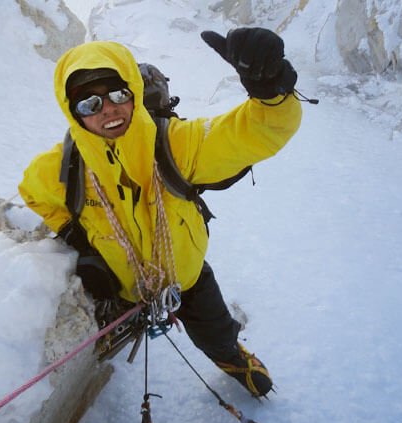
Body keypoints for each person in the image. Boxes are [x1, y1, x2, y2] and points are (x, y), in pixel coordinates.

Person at [19, 28, 302, 397]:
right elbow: (33, 193)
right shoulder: (61, 169)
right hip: (121, 288)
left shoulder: (175, 145)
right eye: (89, 104)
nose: (108, 109)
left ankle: (233, 359)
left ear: (134, 92)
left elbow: (254, 133)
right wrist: (78, 241)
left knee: (216, 332)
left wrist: (270, 93)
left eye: (118, 93)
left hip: (187, 278)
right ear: (71, 112)